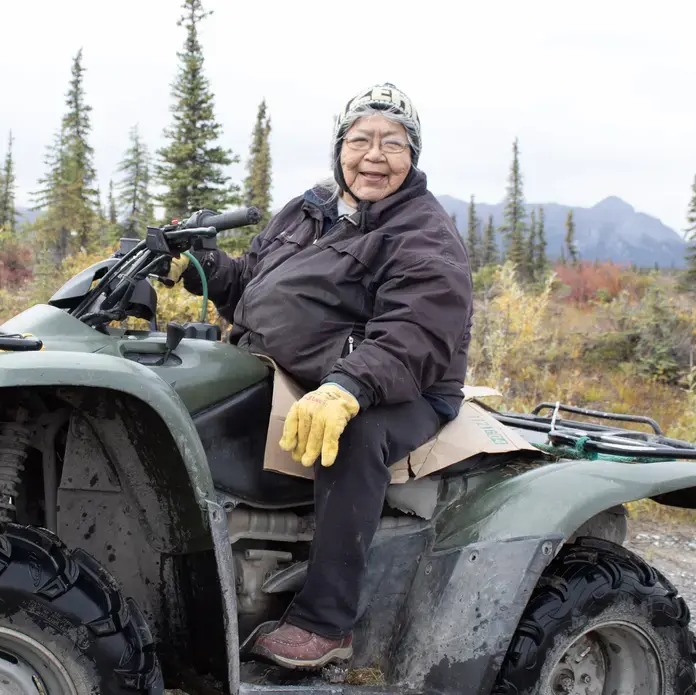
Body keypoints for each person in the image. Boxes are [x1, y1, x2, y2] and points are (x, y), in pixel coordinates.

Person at [169, 83, 473, 670]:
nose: (374, 157)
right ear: (340, 148)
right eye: (361, 140)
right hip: (294, 366)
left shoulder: (423, 235)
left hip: (401, 383)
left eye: (393, 143)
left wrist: (348, 387)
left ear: (413, 156)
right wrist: (208, 267)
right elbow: (254, 283)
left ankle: (326, 622)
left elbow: (416, 336)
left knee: (356, 436)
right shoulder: (312, 207)